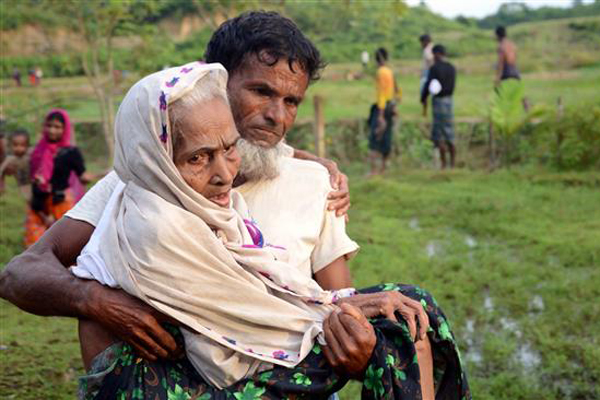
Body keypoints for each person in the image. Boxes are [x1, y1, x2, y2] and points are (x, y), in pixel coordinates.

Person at [0, 12, 468, 400]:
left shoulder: (314, 183)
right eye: (261, 92)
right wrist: (97, 300)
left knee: (408, 318)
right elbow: (18, 275)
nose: (277, 116)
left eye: (291, 101)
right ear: (211, 80)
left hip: (275, 374)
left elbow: (339, 303)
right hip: (166, 383)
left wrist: (360, 348)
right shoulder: (139, 182)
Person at [25, 109, 90, 246]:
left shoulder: (71, 152)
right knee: (35, 245)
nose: (52, 130)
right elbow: (31, 178)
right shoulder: (38, 151)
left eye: (57, 127)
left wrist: (105, 175)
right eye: (49, 126)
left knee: (64, 245)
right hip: (39, 204)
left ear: (65, 129)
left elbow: (83, 177)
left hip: (61, 203)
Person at [421, 45, 457, 169]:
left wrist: (423, 99)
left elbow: (428, 85)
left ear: (437, 54)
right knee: (449, 131)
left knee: (439, 134)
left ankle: (443, 164)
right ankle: (452, 163)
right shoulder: (451, 68)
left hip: (438, 102)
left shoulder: (434, 69)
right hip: (449, 101)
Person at [368, 47, 400, 176]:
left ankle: (374, 171)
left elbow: (381, 94)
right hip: (390, 106)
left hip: (382, 108)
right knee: (386, 137)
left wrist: (380, 116)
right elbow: (398, 91)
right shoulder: (389, 71)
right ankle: (384, 169)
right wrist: (394, 106)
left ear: (377, 59)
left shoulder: (381, 72)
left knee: (375, 138)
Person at [0, 129, 32, 201]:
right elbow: (1, 169)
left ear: (27, 146)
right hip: (22, 185)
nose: (18, 148)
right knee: (28, 198)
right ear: (11, 145)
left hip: (31, 182)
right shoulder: (10, 158)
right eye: (15, 145)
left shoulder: (29, 156)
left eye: (22, 145)